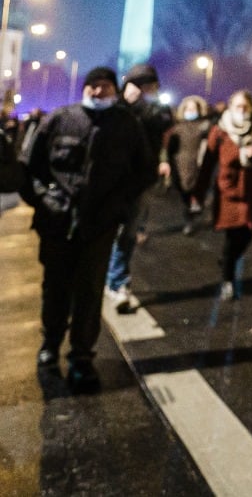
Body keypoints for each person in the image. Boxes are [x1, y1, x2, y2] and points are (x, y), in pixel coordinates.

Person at [19, 66, 153, 393]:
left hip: (99, 226)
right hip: (57, 224)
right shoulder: (60, 119)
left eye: (104, 86)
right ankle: (50, 344)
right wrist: (44, 200)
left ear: (114, 90)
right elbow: (29, 168)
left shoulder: (126, 125)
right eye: (92, 85)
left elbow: (144, 171)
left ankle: (81, 356)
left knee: (90, 292)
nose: (97, 91)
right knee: (56, 287)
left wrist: (118, 205)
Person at [105, 63, 173, 311]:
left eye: (149, 87)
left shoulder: (155, 111)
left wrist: (141, 105)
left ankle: (117, 282)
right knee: (106, 231)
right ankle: (101, 277)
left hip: (140, 180)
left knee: (128, 233)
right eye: (141, 86)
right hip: (111, 180)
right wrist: (125, 104)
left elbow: (163, 124)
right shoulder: (115, 108)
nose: (146, 91)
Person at [195, 90, 252, 301]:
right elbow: (208, 164)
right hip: (227, 191)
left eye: (245, 106)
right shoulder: (219, 132)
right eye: (237, 106)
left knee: (247, 234)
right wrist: (198, 194)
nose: (241, 110)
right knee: (231, 237)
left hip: (249, 191)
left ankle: (227, 261)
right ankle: (227, 280)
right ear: (230, 107)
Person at [166, 95, 213, 236]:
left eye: (194, 108)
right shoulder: (176, 127)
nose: (191, 110)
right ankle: (190, 215)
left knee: (196, 193)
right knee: (184, 193)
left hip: (198, 164)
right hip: (180, 164)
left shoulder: (205, 126)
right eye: (188, 108)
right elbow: (170, 147)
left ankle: (191, 218)